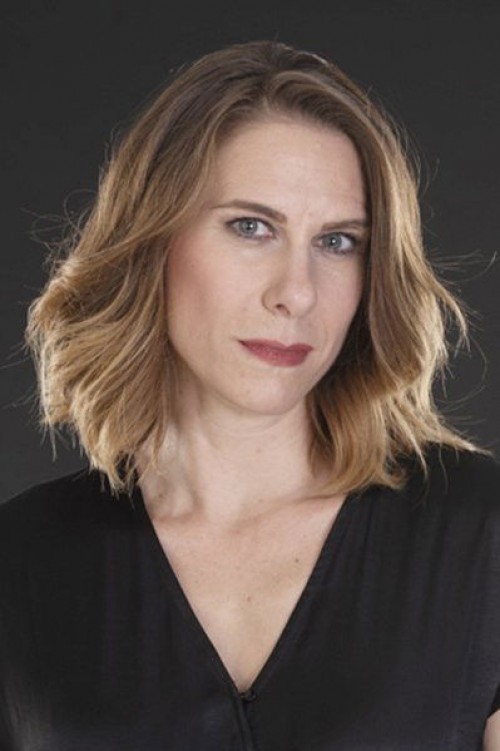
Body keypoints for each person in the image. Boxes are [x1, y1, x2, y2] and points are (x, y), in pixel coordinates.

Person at [0, 40, 499, 751]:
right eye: (251, 227)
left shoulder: (479, 534)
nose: (296, 292)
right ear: (153, 242)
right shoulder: (22, 562)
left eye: (338, 242)